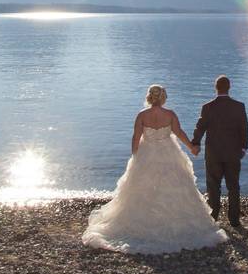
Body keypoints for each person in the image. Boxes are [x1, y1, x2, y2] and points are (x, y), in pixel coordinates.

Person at [81, 84, 228, 253]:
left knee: (142, 188)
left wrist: (135, 157)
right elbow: (179, 133)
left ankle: (141, 225)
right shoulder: (170, 114)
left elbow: (136, 137)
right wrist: (192, 148)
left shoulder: (142, 115)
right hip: (169, 153)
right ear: (163, 97)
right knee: (174, 186)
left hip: (147, 153)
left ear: (150, 97)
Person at [190, 75, 248, 227]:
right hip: (233, 152)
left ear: (215, 87)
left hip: (213, 152)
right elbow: (244, 129)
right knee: (233, 186)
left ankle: (213, 217)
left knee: (213, 185)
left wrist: (195, 143)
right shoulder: (239, 106)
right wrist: (244, 147)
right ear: (229, 87)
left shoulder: (207, 107)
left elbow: (200, 127)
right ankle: (234, 220)